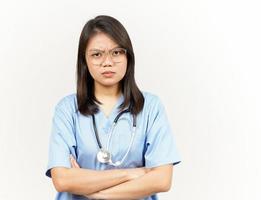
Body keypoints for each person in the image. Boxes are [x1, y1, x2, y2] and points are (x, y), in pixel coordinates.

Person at [45, 15, 181, 200]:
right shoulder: (67, 109)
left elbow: (162, 180)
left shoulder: (150, 107)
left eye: (116, 52)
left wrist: (91, 191)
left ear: (128, 56)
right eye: (97, 54)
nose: (107, 62)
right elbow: (62, 180)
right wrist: (130, 174)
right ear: (84, 60)